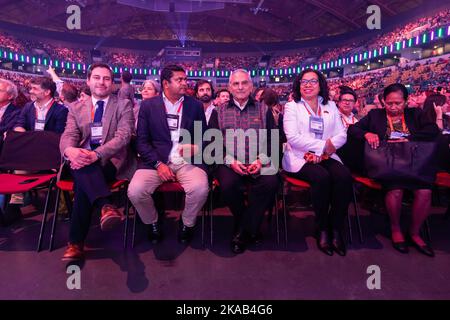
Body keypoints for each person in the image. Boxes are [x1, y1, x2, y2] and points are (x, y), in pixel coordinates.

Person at [348, 83, 440, 257]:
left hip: (412, 164)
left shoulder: (415, 114)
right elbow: (354, 129)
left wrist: (410, 138)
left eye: (398, 103)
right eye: (389, 103)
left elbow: (432, 130)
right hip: (387, 165)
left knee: (425, 191)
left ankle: (414, 233)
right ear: (384, 102)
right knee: (395, 189)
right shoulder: (375, 115)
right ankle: (396, 228)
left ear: (405, 102)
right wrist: (367, 134)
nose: (393, 107)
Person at [59, 63, 136, 261]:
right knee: (84, 170)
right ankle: (105, 205)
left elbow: (123, 137)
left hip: (112, 160)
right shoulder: (75, 108)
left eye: (106, 78)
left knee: (83, 184)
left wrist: (96, 154)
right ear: (88, 80)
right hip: (80, 159)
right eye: (96, 77)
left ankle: (76, 243)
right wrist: (70, 150)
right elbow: (69, 134)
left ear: (112, 83)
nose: (101, 82)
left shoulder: (123, 104)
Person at [127, 65, 209, 244]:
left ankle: (187, 223)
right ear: (165, 83)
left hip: (186, 160)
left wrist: (196, 146)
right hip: (155, 161)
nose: (185, 83)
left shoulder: (194, 105)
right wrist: (158, 164)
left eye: (185, 79)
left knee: (200, 188)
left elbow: (205, 136)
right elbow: (141, 141)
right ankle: (153, 222)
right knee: (135, 191)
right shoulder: (148, 106)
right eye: (180, 80)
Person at [283, 69, 351, 256]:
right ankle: (321, 228)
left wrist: (325, 151)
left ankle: (335, 227)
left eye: (312, 81)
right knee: (321, 178)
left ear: (320, 85)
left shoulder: (330, 106)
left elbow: (341, 134)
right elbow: (293, 138)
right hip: (300, 157)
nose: (307, 85)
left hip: (327, 155)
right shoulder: (292, 106)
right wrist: (322, 147)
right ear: (298, 85)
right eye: (304, 81)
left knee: (344, 176)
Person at [211, 69, 279, 254]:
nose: (240, 87)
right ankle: (251, 227)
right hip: (230, 162)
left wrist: (261, 160)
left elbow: (274, 140)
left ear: (251, 86)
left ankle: (242, 230)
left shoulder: (263, 109)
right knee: (228, 185)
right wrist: (230, 161)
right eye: (235, 83)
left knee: (271, 182)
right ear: (229, 88)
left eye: (244, 83)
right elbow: (212, 143)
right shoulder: (218, 111)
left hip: (259, 160)